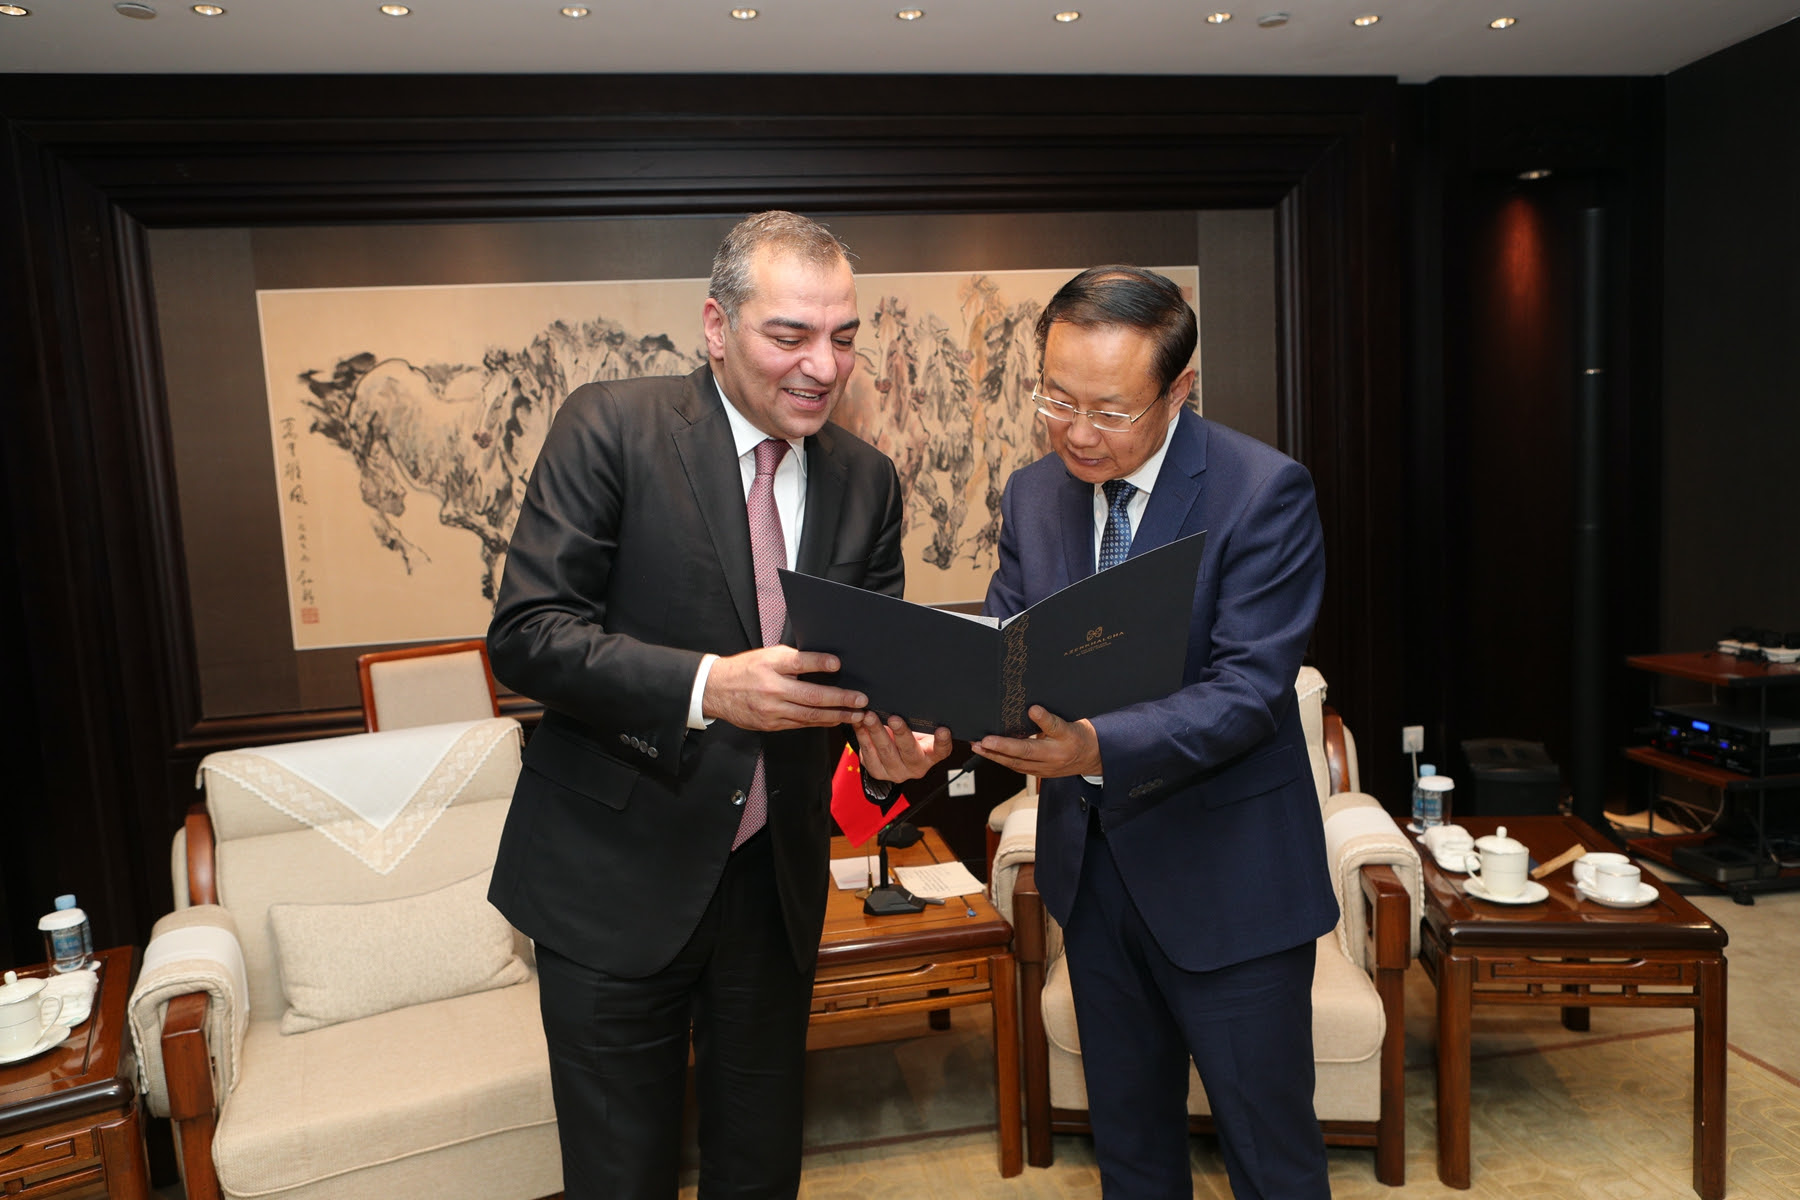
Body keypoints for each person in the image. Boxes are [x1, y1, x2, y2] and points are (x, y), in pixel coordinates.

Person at [486, 211, 951, 1200]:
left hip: (771, 891)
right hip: (612, 881)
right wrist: (707, 687)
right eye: (790, 335)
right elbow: (528, 635)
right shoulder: (610, 427)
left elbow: (869, 682)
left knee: (761, 1170)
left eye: (844, 337)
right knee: (621, 1178)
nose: (823, 366)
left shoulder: (867, 481)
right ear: (715, 326)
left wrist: (894, 755)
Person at [972, 266, 1336, 1199]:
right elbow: (1008, 654)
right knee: (1131, 1157)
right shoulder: (1033, 495)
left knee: (1273, 1163)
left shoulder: (1261, 492)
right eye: (1057, 399)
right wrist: (934, 721)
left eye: (1109, 411)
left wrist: (1095, 748)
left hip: (1234, 887)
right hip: (1095, 884)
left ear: (1178, 390)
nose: (1077, 433)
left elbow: (1247, 692)